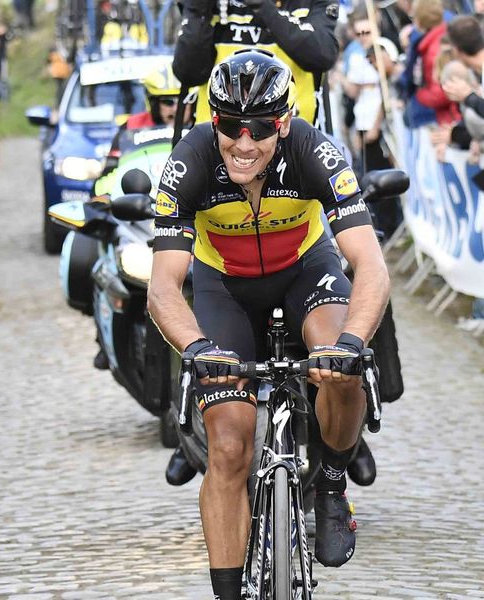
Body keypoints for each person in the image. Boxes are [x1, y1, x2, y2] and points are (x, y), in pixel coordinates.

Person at [147, 50, 389, 600]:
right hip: (225, 288)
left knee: (340, 367)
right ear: (214, 121)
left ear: (283, 123)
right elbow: (163, 287)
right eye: (231, 125)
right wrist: (197, 347)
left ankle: (331, 484)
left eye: (259, 127)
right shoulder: (189, 162)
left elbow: (371, 265)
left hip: (305, 272)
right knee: (229, 446)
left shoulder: (313, 150)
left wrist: (352, 341)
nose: (244, 142)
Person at [173, 0, 339, 128]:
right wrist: (197, 11)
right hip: (219, 138)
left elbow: (322, 55)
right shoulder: (214, 5)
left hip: (290, 139)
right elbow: (189, 73)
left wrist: (263, 7)